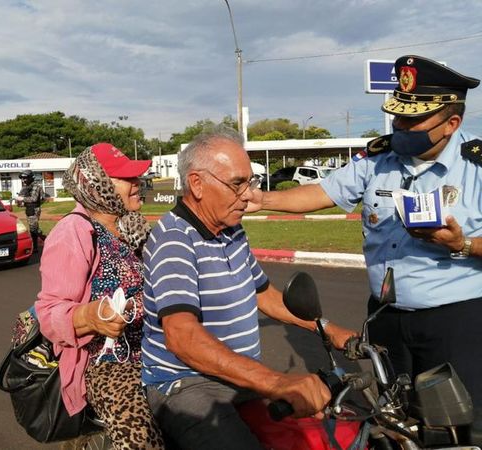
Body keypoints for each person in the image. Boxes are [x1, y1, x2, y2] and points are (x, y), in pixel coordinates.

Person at [251, 55, 482, 435]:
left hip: (456, 322)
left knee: (461, 429)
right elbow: (322, 192)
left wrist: (464, 243)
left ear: (451, 123)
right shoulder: (379, 158)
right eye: (396, 115)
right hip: (386, 319)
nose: (400, 126)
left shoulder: (476, 165)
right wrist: (262, 200)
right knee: (398, 422)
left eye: (412, 119)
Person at [140, 126, 356, 449]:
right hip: (186, 384)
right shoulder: (174, 240)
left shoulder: (231, 230)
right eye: (237, 184)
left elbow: (263, 294)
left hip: (237, 377)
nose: (248, 194)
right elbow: (182, 337)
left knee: (316, 436)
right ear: (197, 184)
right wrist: (276, 381)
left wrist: (326, 328)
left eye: (249, 182)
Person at [35, 143, 164, 450]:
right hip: (105, 363)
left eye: (137, 178)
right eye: (127, 179)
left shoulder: (131, 226)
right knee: (140, 436)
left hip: (156, 347)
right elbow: (49, 314)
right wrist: (91, 316)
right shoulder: (74, 233)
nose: (137, 184)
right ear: (98, 185)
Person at [16, 169, 45, 252]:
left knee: (33, 228)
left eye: (26, 178)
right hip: (29, 208)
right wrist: (20, 202)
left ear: (31, 178)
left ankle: (36, 246)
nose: (24, 180)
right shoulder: (25, 187)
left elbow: (34, 199)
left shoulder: (36, 186)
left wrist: (22, 198)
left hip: (34, 209)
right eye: (22, 178)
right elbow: (22, 198)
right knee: (34, 227)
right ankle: (41, 241)